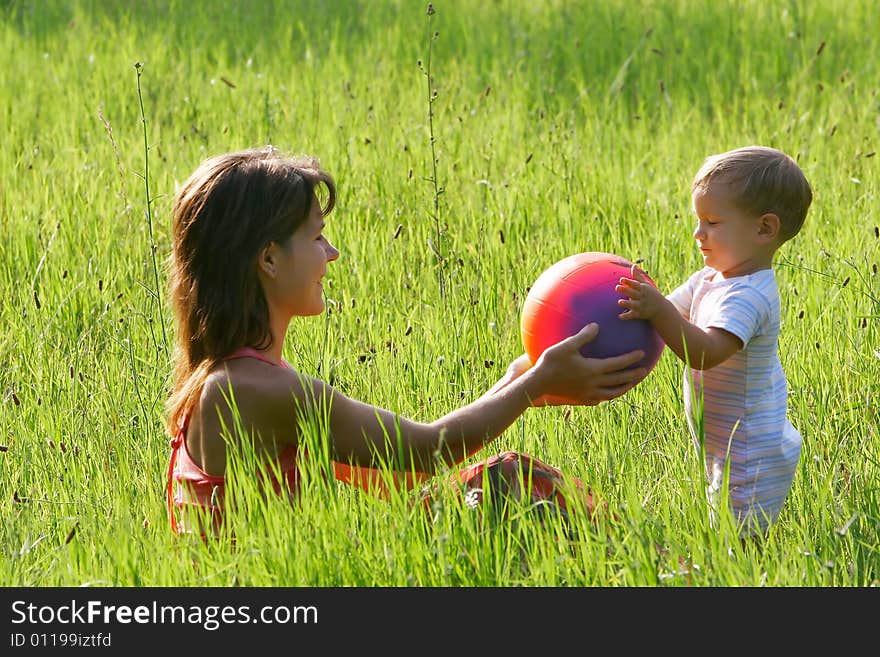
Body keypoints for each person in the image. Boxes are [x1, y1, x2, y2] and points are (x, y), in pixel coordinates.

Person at [165, 146, 648, 538]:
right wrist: (531, 386)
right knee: (511, 477)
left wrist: (518, 380)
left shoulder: (228, 377)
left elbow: (394, 478)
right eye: (316, 238)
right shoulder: (258, 390)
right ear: (269, 259)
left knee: (500, 488)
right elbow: (423, 451)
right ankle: (666, 573)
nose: (331, 254)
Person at [616, 145, 812, 539]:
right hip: (725, 441)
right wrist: (630, 309)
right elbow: (666, 314)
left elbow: (705, 352)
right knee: (724, 523)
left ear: (764, 229)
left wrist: (657, 311)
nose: (698, 233)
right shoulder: (712, 277)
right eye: (697, 219)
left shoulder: (750, 296)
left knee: (739, 541)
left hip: (750, 451)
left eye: (712, 222)